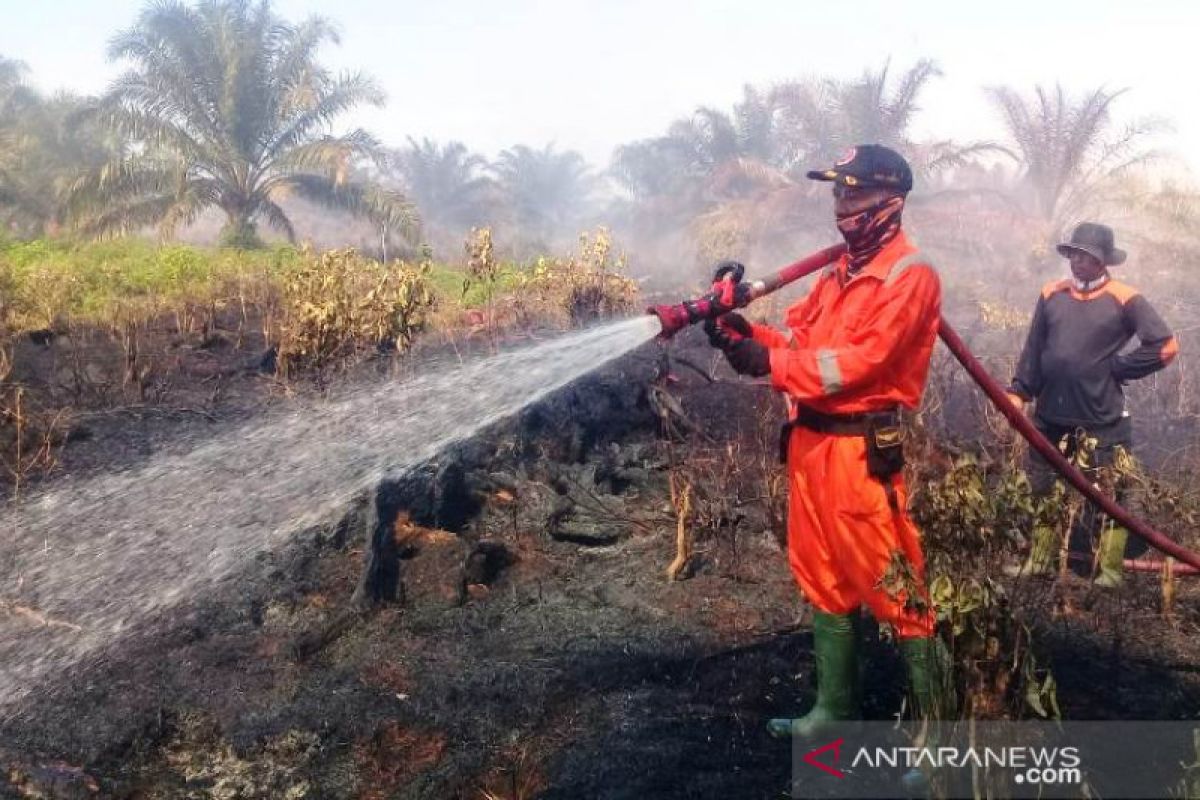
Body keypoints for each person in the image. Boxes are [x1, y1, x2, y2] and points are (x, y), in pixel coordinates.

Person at [704, 144, 951, 738]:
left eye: (855, 195)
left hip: (861, 450)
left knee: (897, 588)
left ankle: (939, 732)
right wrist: (741, 333)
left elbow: (860, 364)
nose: (843, 207)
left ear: (890, 203)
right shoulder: (839, 271)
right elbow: (797, 334)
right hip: (810, 444)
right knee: (822, 576)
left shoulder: (908, 275)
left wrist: (769, 361)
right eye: (838, 194)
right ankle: (834, 712)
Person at [1005, 223, 1178, 587]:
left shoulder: (1124, 297)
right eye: (1075, 255)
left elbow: (1165, 346)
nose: (1079, 263)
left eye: (1088, 257)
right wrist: (1020, 391)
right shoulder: (1052, 293)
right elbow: (1034, 349)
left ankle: (1110, 570)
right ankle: (1040, 561)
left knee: (1109, 492)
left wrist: (1118, 367)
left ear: (1103, 262)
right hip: (1050, 414)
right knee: (1043, 488)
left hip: (1102, 418)